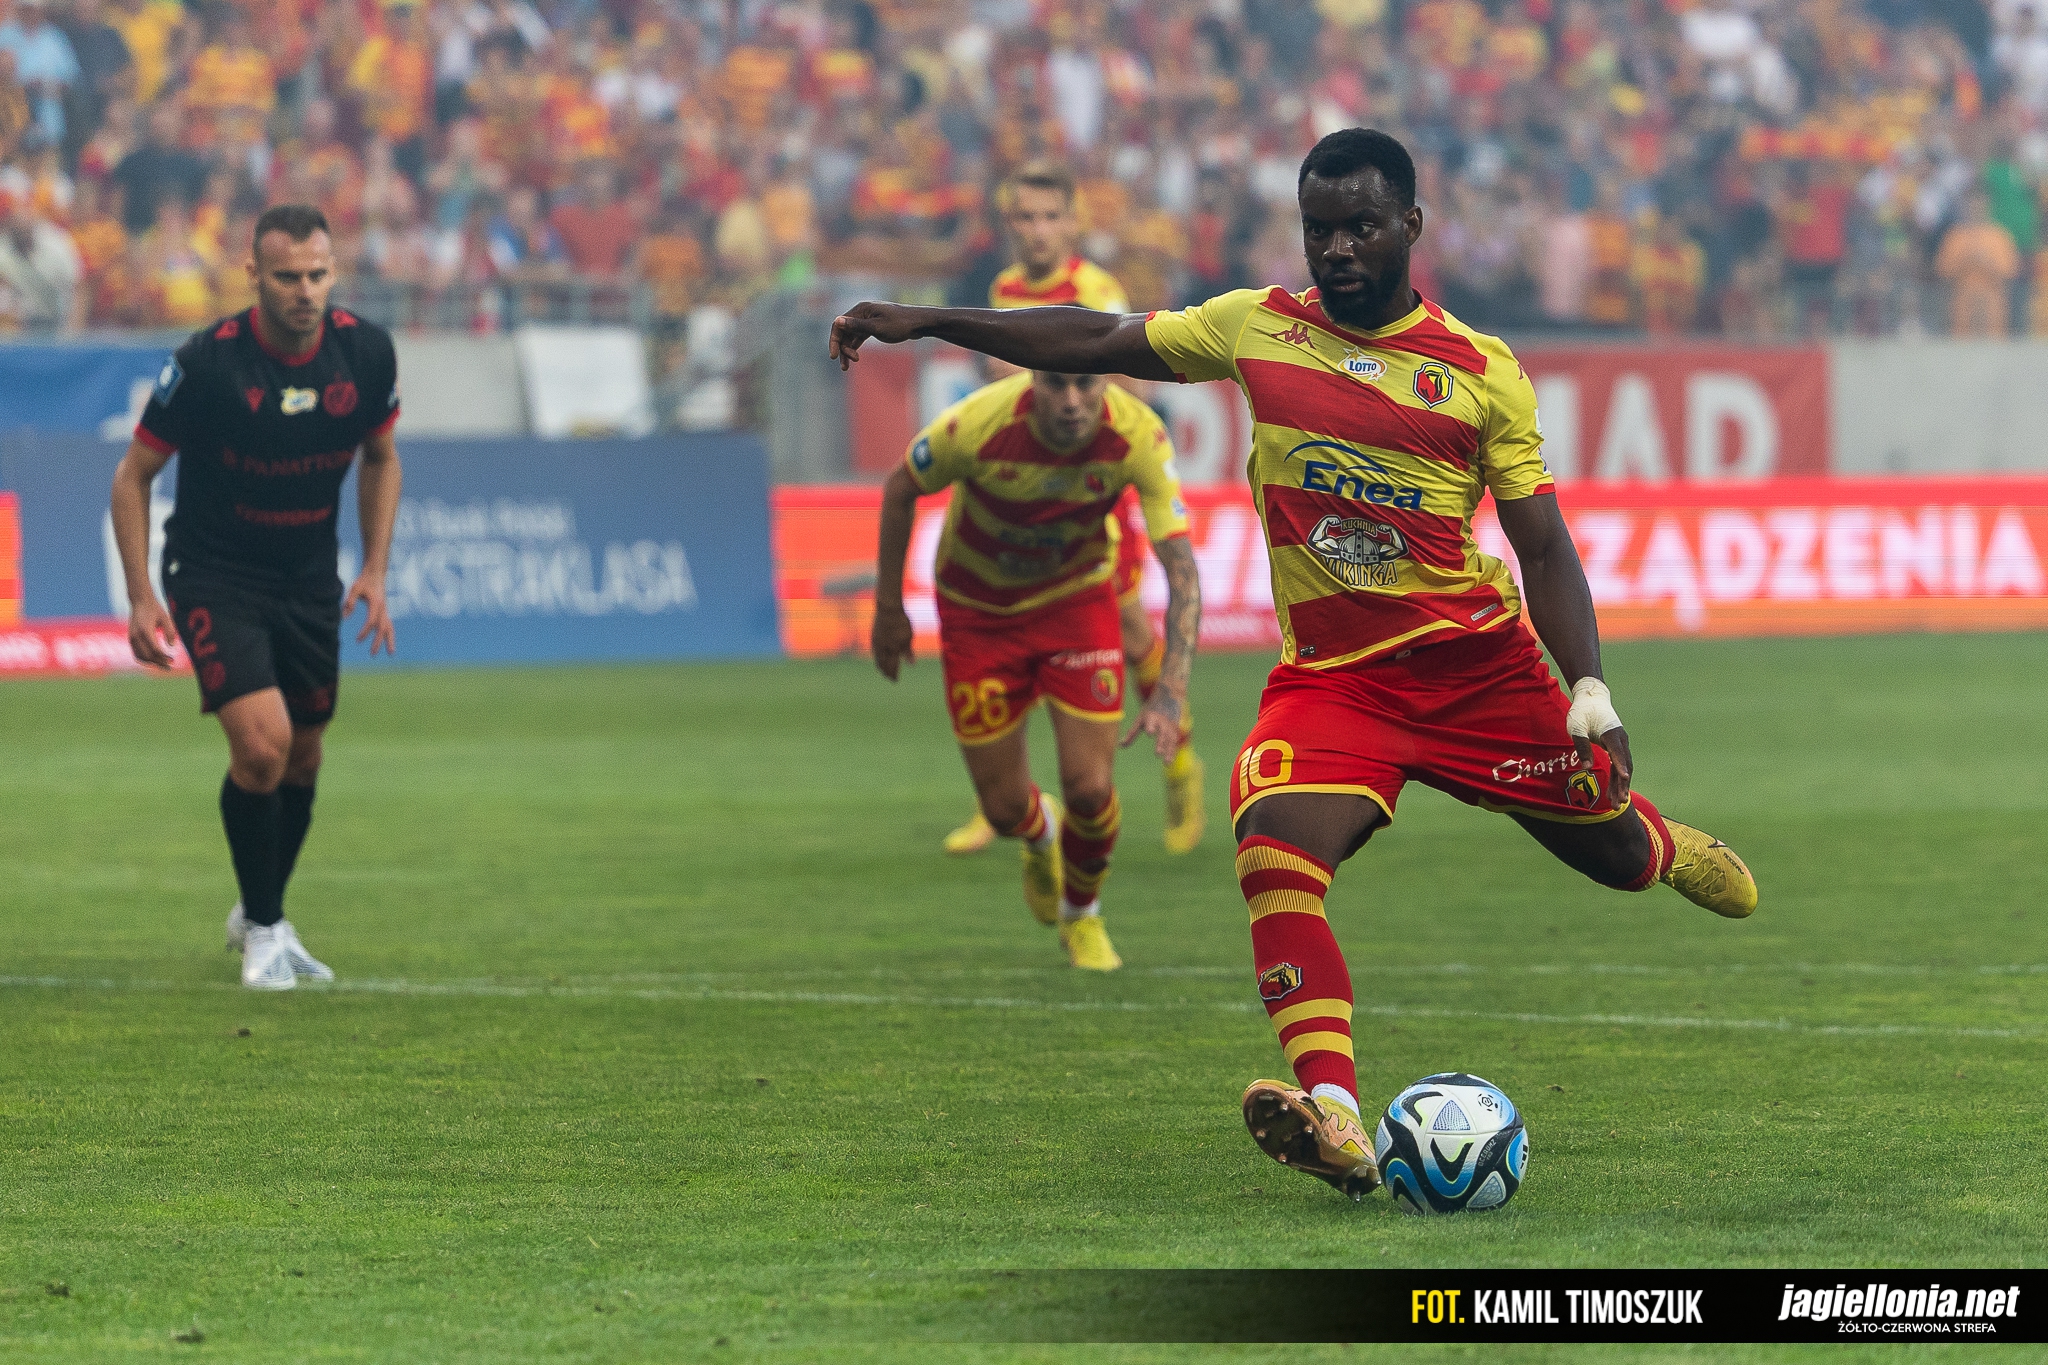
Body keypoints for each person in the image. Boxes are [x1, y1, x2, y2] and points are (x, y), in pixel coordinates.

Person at [829, 127, 1757, 1201]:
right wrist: (928, 319)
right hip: (1333, 682)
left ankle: (1660, 845)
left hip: (1474, 672)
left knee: (1611, 854)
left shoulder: (1479, 372)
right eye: (1319, 230)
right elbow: (1095, 336)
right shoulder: (1256, 327)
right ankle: (1336, 1115)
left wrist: (1588, 687)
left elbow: (1539, 544)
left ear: (1411, 225)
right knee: (1272, 844)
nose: (1338, 249)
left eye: (1361, 227)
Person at [110, 203, 403, 991]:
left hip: (308, 579)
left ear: (333, 272)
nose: (305, 291)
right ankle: (267, 933)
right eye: (287, 277)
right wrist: (141, 595)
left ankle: (259, 910)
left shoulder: (366, 353)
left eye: (318, 274)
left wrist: (375, 568)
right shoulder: (208, 365)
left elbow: (381, 456)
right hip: (214, 574)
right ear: (253, 275)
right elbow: (133, 477)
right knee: (264, 745)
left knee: (305, 752)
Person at [870, 366, 1202, 972]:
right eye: (1055, 384)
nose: (1072, 400)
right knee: (1002, 810)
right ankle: (1040, 832)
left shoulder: (1138, 435)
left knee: (1091, 788)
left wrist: (1171, 691)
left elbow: (1183, 571)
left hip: (1076, 604)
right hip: (978, 614)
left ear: (1104, 383)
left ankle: (1083, 915)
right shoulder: (976, 424)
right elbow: (899, 487)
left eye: (1086, 384)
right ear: (1032, 383)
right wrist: (889, 610)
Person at [942, 159, 1207, 860]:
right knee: (1015, 636)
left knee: (1130, 630)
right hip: (1027, 491)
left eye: (1049, 217)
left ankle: (1181, 764)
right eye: (1025, 218)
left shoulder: (1096, 292)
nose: (1037, 230)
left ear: (1072, 223)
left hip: (1088, 495)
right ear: (1010, 224)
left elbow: (1131, 386)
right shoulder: (1003, 289)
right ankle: (1001, 795)